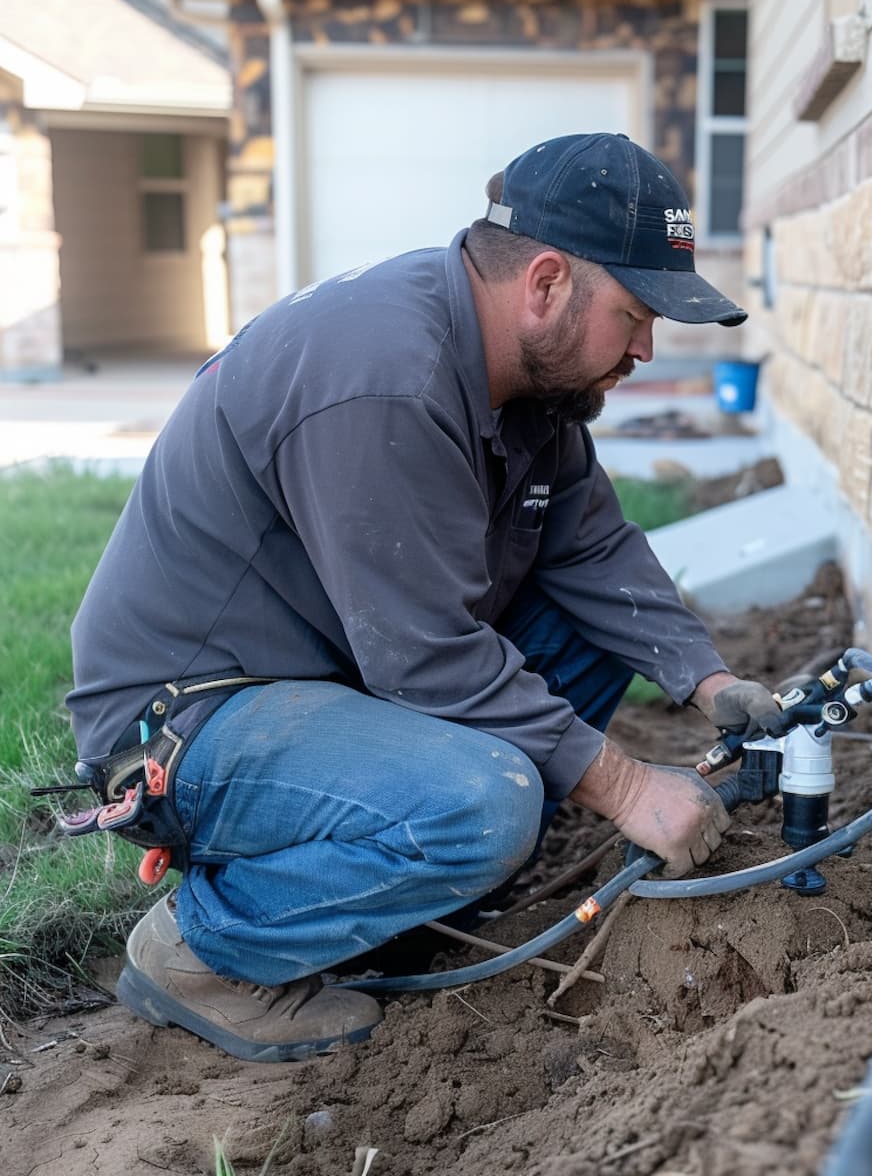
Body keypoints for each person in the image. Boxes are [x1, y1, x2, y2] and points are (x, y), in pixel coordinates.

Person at [66, 132, 786, 1063]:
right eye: (637, 312)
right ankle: (204, 949)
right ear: (546, 282)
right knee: (484, 803)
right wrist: (629, 787)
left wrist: (709, 683)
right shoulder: (384, 378)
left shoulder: (529, 378)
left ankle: (400, 874)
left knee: (584, 648)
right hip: (190, 720)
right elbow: (424, 655)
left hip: (331, 674)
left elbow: (594, 547)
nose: (647, 348)